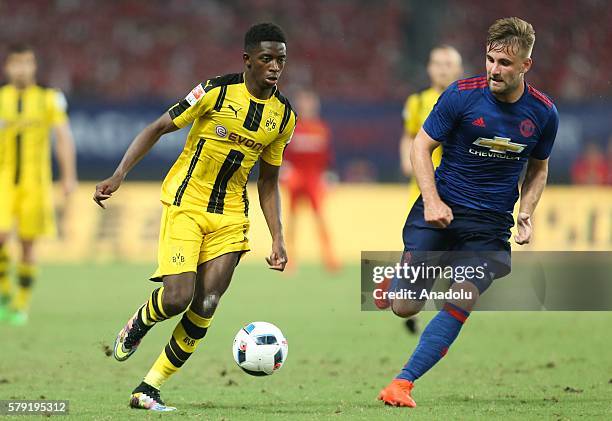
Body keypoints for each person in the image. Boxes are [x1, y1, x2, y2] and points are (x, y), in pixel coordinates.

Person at [93, 23, 296, 411]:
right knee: (177, 298)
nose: (274, 67)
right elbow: (158, 128)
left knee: (207, 302)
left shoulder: (283, 117)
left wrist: (278, 238)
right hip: (187, 204)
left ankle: (148, 388)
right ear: (247, 60)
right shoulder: (214, 91)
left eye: (281, 60)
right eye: (267, 59)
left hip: (232, 216)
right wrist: (119, 174)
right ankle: (141, 320)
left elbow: (269, 182)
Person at [377, 17, 559, 407]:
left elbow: (539, 167)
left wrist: (526, 211)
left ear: (526, 65)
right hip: (441, 209)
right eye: (491, 59)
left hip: (489, 228)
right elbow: (420, 148)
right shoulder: (461, 95)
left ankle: (402, 383)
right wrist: (431, 200)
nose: (494, 69)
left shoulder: (543, 113)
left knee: (462, 296)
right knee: (405, 307)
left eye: (505, 64)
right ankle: (398, 280)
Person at [0, 44, 77, 325]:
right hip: (3, 178)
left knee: (28, 244)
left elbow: (63, 137)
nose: (21, 68)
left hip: (36, 181)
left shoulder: (49, 98)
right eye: (16, 63)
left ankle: (19, 305)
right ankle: (5, 293)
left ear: (34, 66)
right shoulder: (1, 97)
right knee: (0, 235)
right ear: (7, 67)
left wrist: (69, 176)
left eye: (27, 63)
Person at [395, 45, 463, 334]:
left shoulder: (466, 99)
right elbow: (409, 136)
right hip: (422, 190)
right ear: (428, 68)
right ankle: (409, 294)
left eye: (449, 64)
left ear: (459, 70)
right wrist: (406, 160)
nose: (443, 69)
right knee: (419, 248)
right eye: (437, 63)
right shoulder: (417, 101)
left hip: (456, 190)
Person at [283, 89, 339, 272]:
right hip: (296, 177)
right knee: (291, 220)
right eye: (304, 103)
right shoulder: (291, 127)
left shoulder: (321, 128)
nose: (307, 107)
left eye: (310, 103)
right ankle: (288, 259)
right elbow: (280, 152)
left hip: (314, 178)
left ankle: (329, 258)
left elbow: (327, 156)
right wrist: (284, 169)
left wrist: (329, 175)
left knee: (320, 219)